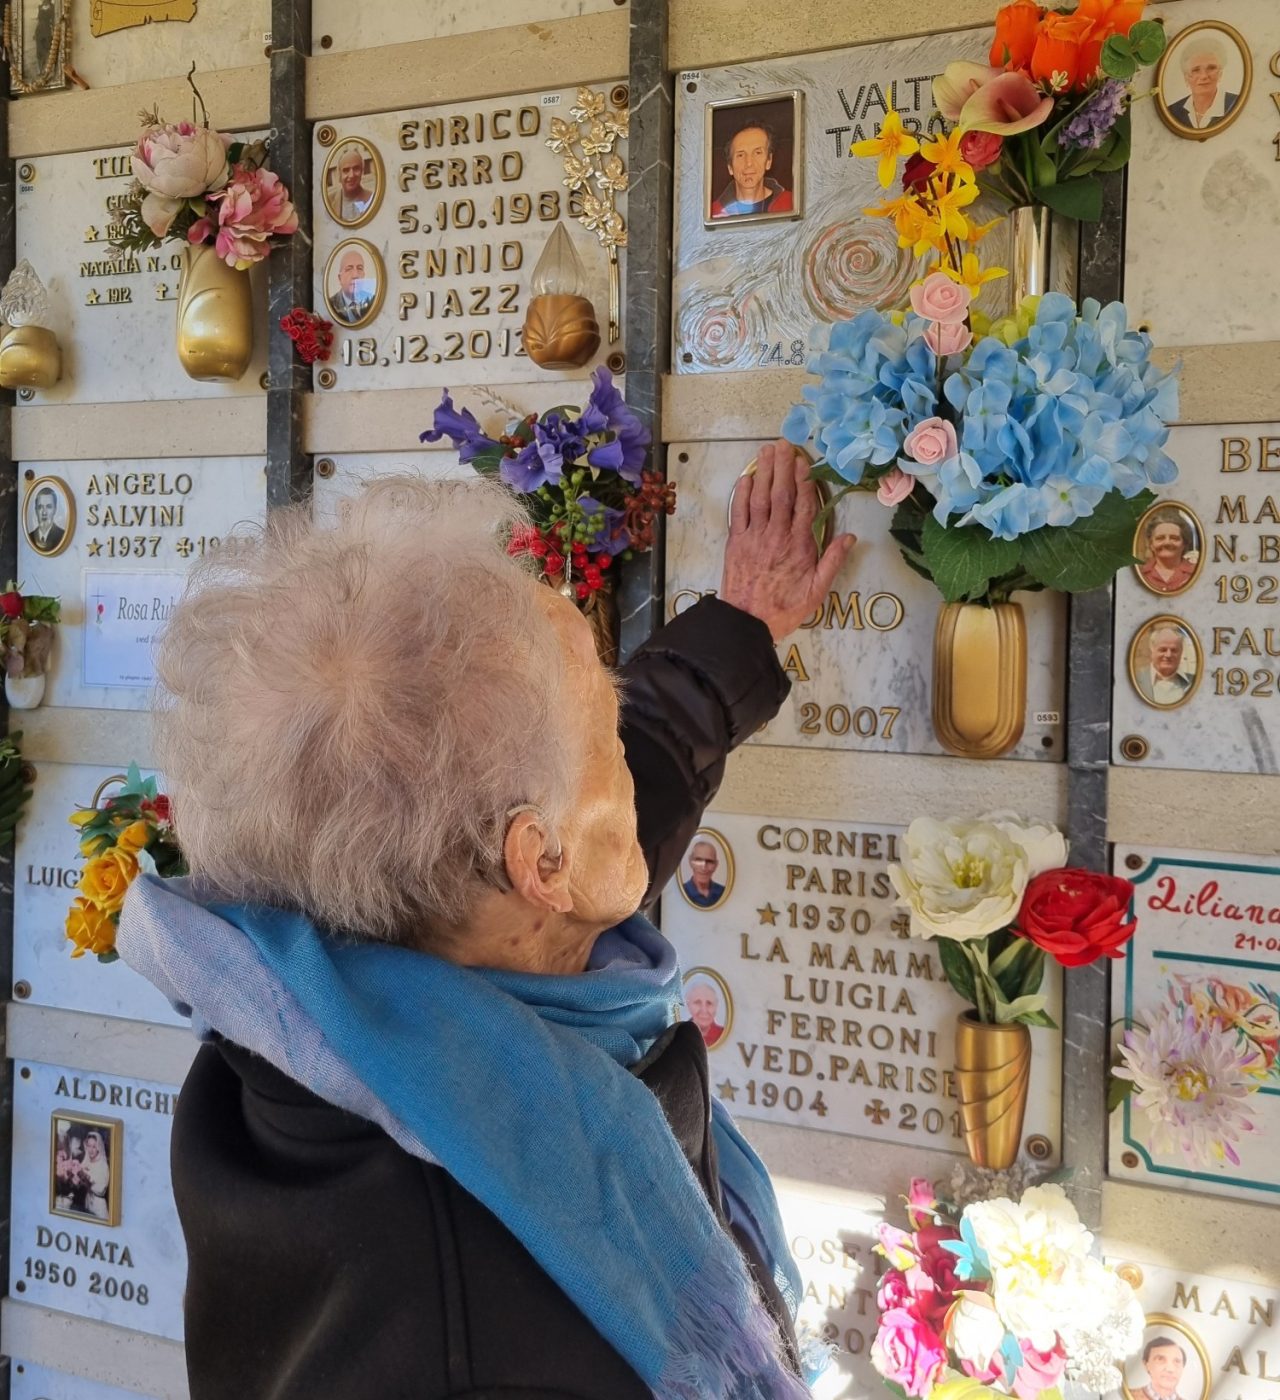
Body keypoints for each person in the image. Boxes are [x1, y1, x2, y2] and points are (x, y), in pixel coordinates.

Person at [117, 441, 855, 1399]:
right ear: (539, 863)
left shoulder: (342, 997)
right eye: (607, 731)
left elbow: (606, 795)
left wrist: (738, 632)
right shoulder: (480, 1349)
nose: (629, 760)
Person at [710, 121, 794, 218]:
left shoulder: (792, 203)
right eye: (740, 155)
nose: (749, 163)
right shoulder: (713, 213)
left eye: (757, 153)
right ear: (730, 167)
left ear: (769, 161)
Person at [1167, 36, 1239, 131]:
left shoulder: (1236, 104)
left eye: (1211, 68)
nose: (1204, 76)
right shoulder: (1172, 111)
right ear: (1186, 77)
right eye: (1196, 70)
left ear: (1220, 73)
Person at [1138, 511, 1197, 594]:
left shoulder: (1197, 574)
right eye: (1160, 538)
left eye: (1174, 538)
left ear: (1185, 543)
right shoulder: (1140, 575)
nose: (1167, 542)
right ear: (1151, 544)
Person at [1138, 625, 1194, 705]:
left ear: (1181, 652)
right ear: (1152, 650)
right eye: (1163, 650)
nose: (1168, 655)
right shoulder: (1138, 679)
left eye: (1174, 650)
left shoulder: (1193, 682)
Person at [328, 246, 374, 325]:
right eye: (349, 269)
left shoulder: (373, 300)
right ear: (340, 278)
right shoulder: (331, 305)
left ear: (364, 275)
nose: (355, 275)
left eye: (359, 268)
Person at [329, 143, 374, 222]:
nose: (351, 175)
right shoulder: (329, 201)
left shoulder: (372, 199)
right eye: (346, 170)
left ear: (362, 171)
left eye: (356, 169)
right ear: (339, 174)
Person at [1138, 1336, 1188, 1400]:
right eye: (1160, 1359)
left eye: (1177, 1361)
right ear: (1146, 1365)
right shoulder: (1127, 1394)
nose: (1170, 1369)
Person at [683, 837, 726, 907]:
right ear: (690, 862)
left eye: (709, 861)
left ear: (716, 865)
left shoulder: (723, 892)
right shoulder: (682, 892)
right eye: (698, 860)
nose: (703, 867)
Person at [686, 977, 726, 1049]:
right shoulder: (680, 1033)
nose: (704, 1010)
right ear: (688, 1005)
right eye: (697, 1002)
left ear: (716, 1006)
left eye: (709, 1003)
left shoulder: (723, 1034)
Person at [80, 1130, 111, 1220]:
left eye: (94, 1146)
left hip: (98, 1205)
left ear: (98, 1147)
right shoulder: (87, 1161)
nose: (91, 1150)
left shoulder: (103, 1165)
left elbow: (100, 1189)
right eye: (89, 1146)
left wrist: (87, 1177)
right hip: (88, 1201)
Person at [28, 486, 65, 554]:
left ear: (55, 509)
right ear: (36, 510)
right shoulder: (30, 537)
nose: (44, 512)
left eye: (48, 507)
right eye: (40, 507)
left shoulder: (62, 535)